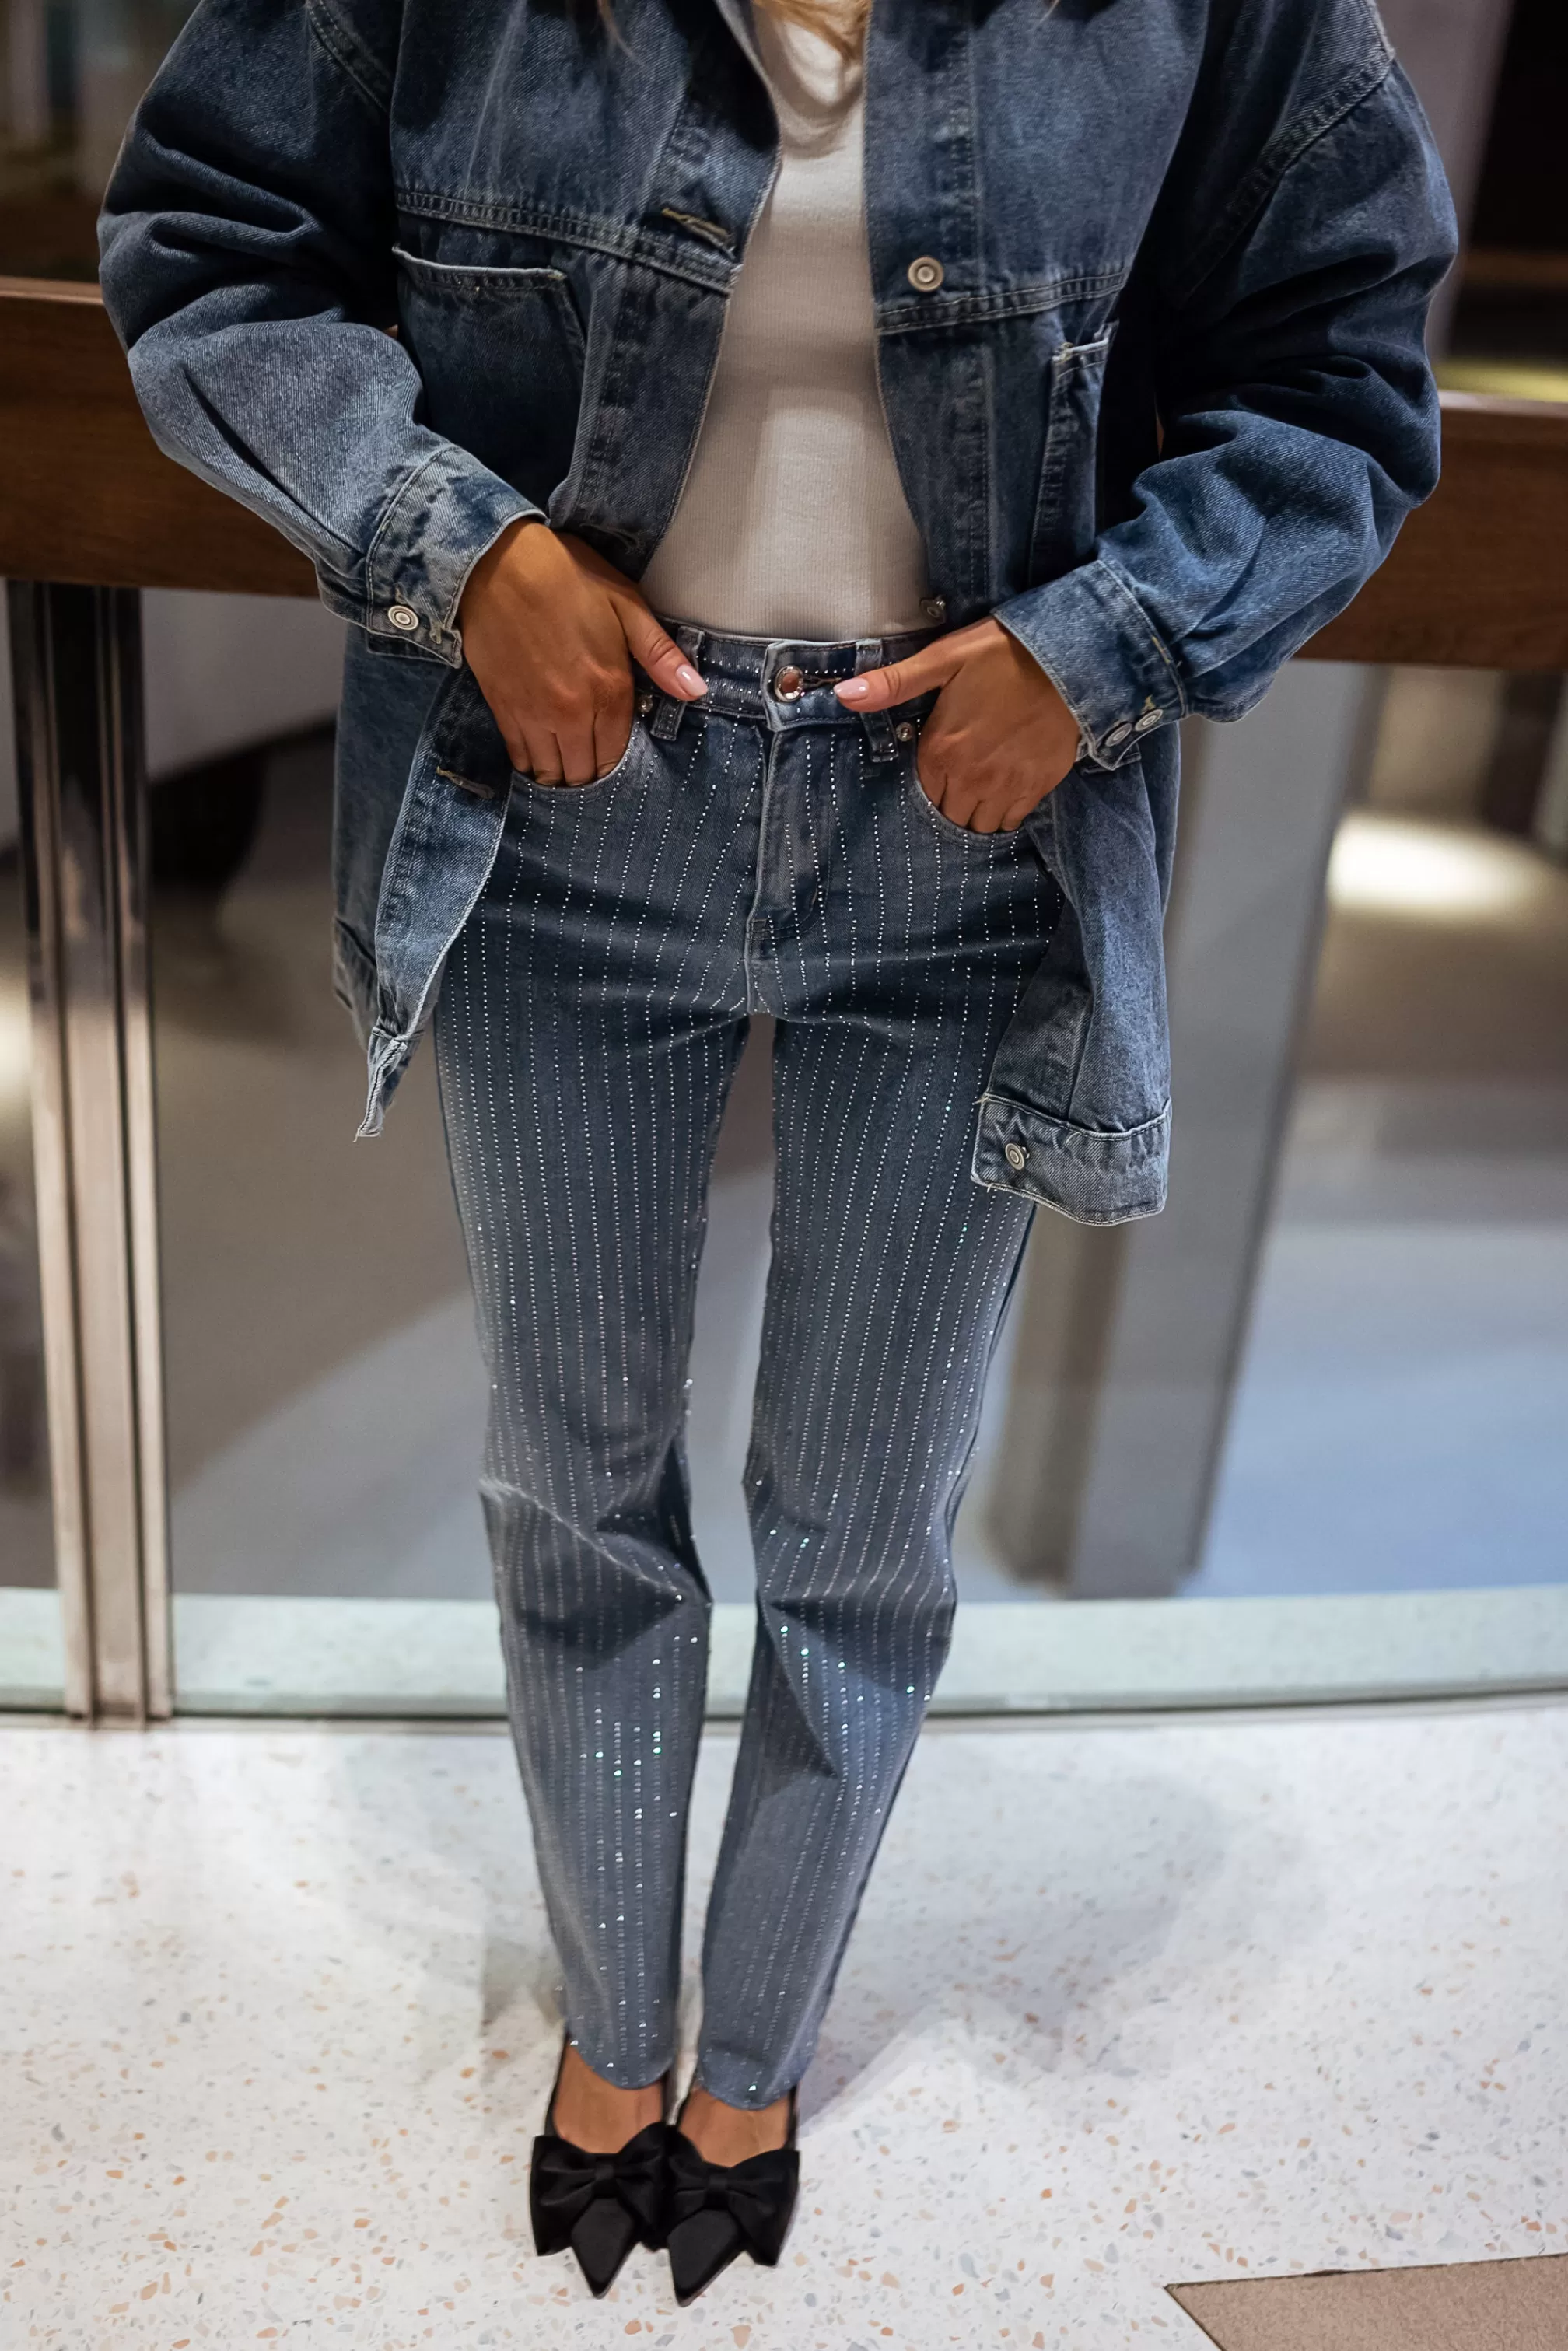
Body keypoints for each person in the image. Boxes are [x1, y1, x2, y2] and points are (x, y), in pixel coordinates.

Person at [98, 0, 1455, 2303]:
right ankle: (614, 2032)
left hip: (969, 823)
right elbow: (211, 249)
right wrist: (466, 554)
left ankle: (753, 2057)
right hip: (563, 798)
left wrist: (1105, 645)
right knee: (574, 1472)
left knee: (863, 1519)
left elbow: (1339, 371)